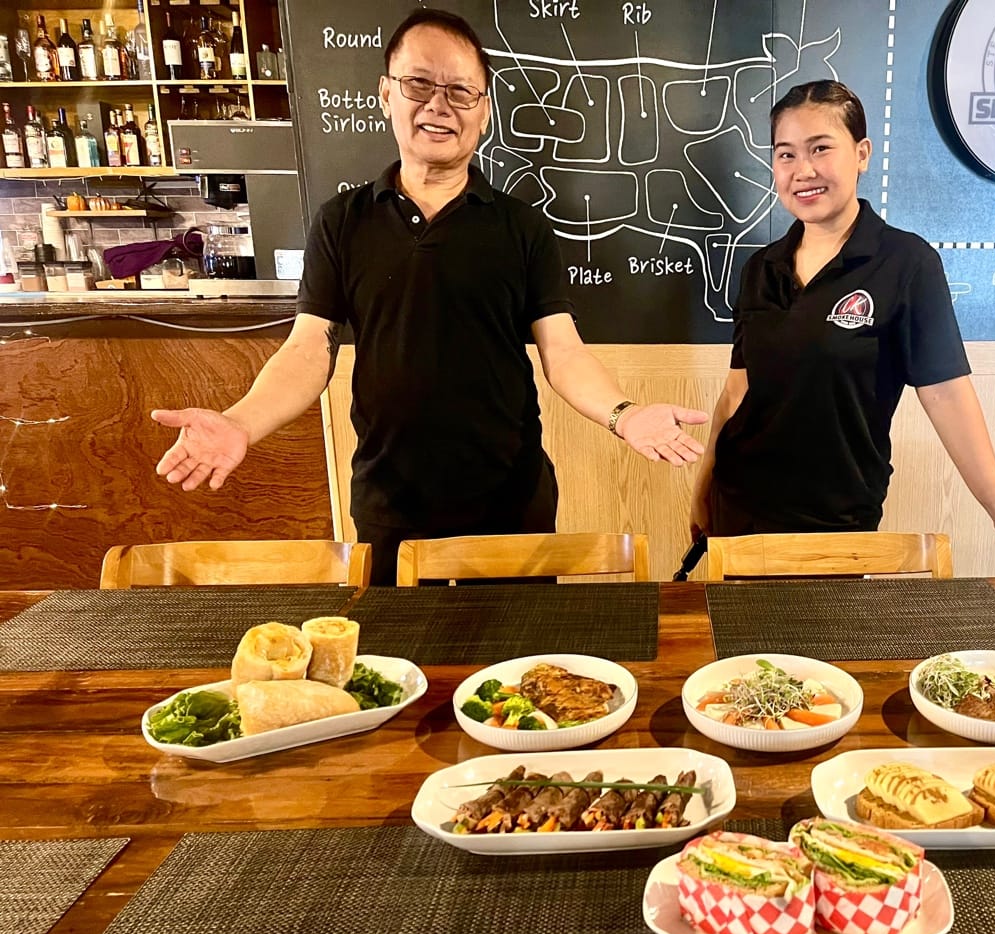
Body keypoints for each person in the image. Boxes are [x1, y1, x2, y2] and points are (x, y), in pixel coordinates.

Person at [152, 8, 705, 585]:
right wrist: (240, 423)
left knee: (517, 672)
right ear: (386, 94)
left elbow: (562, 353)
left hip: (510, 504)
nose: (439, 105)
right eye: (419, 84)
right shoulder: (343, 221)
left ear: (484, 110)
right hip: (392, 504)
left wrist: (626, 415)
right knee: (402, 672)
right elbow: (308, 350)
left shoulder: (520, 227)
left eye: (461, 91)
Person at [689, 80, 995, 561]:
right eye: (786, 155)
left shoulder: (906, 264)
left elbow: (947, 393)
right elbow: (736, 392)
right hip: (737, 512)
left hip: (837, 525)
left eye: (820, 149)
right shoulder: (761, 268)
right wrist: (702, 487)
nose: (803, 170)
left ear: (861, 153)